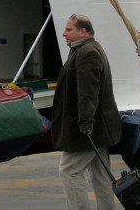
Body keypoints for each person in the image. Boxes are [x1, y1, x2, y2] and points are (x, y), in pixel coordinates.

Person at [52, 14, 122, 210]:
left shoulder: (87, 52)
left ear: (83, 31)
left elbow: (88, 92)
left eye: (69, 30)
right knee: (101, 175)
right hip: (99, 127)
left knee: (69, 171)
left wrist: (86, 122)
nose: (64, 33)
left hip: (88, 128)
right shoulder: (88, 49)